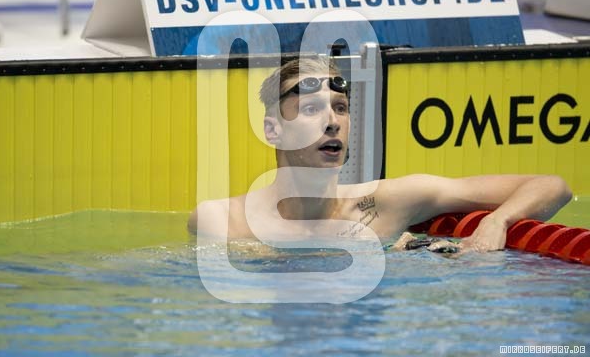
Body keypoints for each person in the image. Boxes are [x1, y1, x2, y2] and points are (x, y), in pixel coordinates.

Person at [188, 56, 572, 252]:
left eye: (340, 108)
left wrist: (498, 221)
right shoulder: (222, 221)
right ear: (273, 130)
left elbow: (552, 186)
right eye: (311, 109)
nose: (332, 122)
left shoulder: (389, 202)